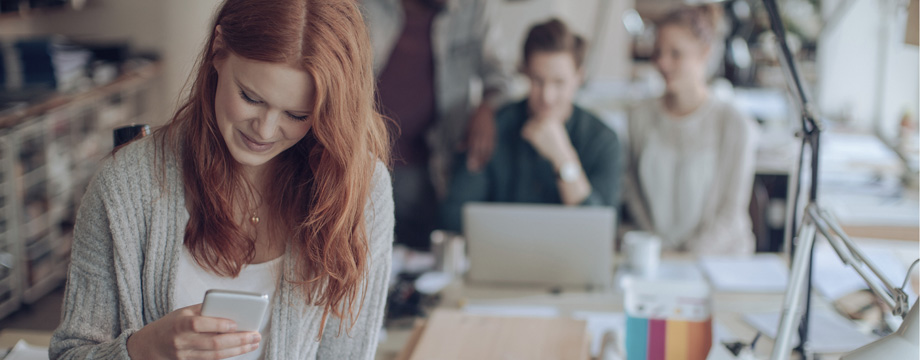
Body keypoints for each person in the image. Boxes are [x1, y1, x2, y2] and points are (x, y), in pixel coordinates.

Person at [50, 0, 393, 359]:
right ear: (218, 49)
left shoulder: (360, 190)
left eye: (296, 115)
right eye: (250, 97)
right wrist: (144, 349)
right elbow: (69, 354)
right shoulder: (125, 185)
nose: (265, 130)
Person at [440, 18, 622, 233]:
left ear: (578, 77)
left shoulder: (604, 140)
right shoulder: (493, 128)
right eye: (538, 81)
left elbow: (600, 231)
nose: (547, 96)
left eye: (559, 83)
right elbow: (452, 216)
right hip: (502, 251)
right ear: (524, 72)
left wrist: (564, 160)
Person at [361, 0, 513, 249]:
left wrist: (486, 108)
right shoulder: (365, 6)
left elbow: (501, 77)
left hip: (425, 166)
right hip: (358, 157)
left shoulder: (475, 8)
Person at [623, 5, 758, 255]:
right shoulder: (639, 116)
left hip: (719, 259)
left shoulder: (734, 124)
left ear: (705, 53)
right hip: (660, 257)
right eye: (658, 52)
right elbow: (633, 194)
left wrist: (687, 257)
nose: (663, 63)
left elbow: (730, 212)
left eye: (676, 54)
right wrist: (660, 249)